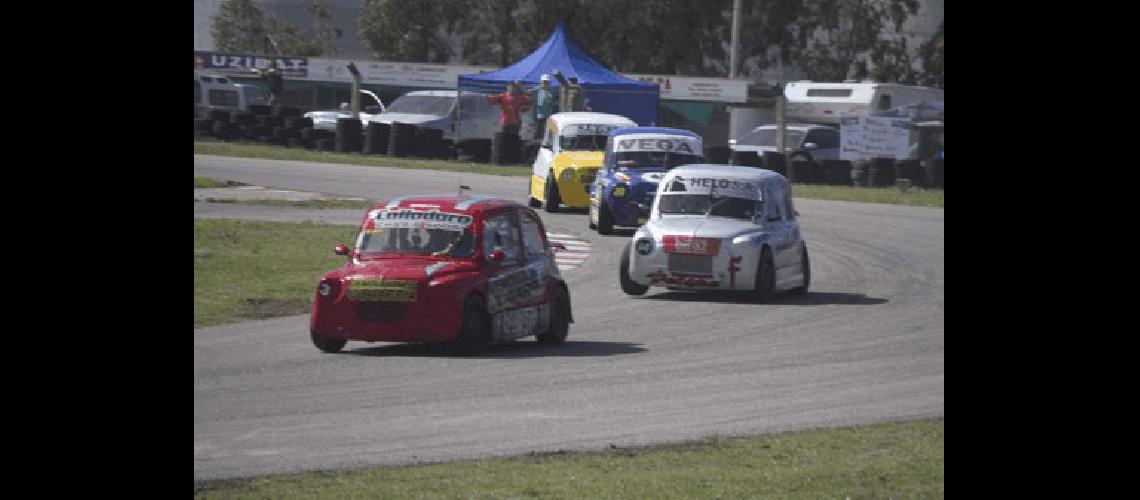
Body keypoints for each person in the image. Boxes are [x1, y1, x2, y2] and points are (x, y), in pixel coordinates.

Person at [530, 74, 556, 140]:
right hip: (538, 116)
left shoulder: (551, 91)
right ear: (541, 81)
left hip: (549, 115)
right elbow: (527, 94)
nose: (545, 83)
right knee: (537, 133)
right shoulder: (536, 90)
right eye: (544, 81)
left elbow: (552, 102)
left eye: (547, 82)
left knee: (549, 133)